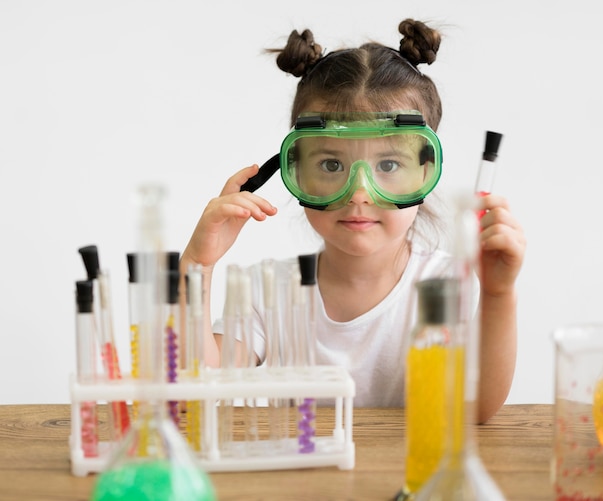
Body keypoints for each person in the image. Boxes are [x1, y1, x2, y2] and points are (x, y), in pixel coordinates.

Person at [180, 19, 525, 423]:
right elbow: (200, 393)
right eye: (330, 163)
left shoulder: (447, 287)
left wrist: (500, 294)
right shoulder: (268, 292)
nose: (359, 192)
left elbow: (475, 409)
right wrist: (197, 267)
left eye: (390, 164)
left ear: (425, 171)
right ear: (295, 169)